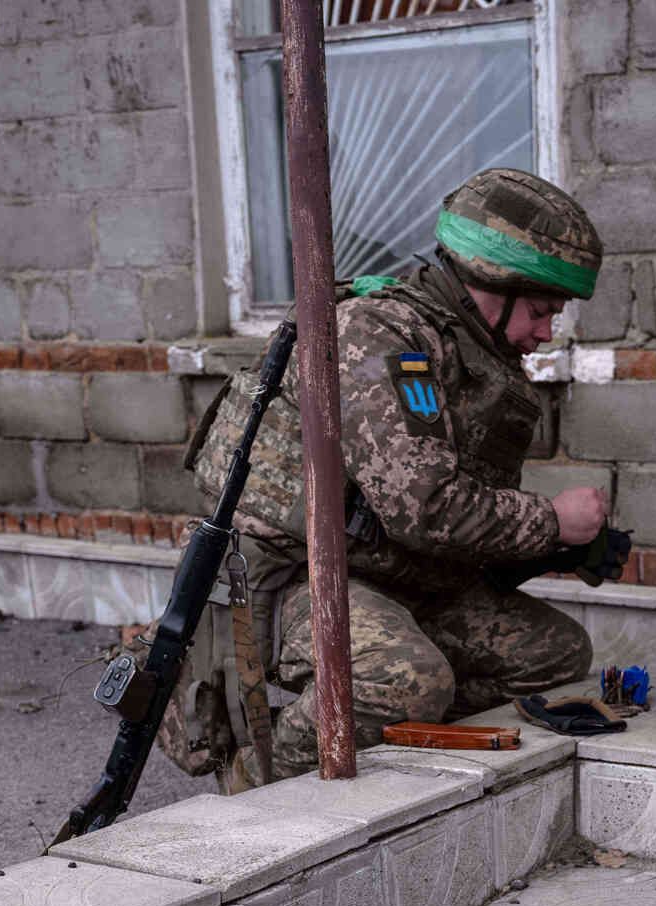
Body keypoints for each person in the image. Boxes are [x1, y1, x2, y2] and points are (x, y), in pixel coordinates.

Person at [188, 168, 611, 781]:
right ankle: (255, 775)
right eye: (542, 311)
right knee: (406, 681)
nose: (545, 334)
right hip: (292, 575)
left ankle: (392, 739)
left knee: (555, 655)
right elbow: (427, 509)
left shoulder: (464, 346)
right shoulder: (381, 335)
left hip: (388, 570)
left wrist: (561, 547)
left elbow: (445, 516)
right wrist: (553, 520)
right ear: (495, 284)